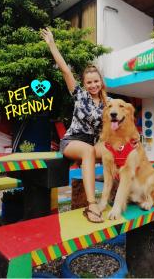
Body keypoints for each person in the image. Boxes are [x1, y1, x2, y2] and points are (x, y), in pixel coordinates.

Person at [41, 27, 108, 223]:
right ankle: (91, 205)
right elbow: (64, 69)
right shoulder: (79, 94)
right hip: (73, 142)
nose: (93, 85)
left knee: (118, 150)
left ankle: (131, 192)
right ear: (84, 84)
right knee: (88, 151)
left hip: (92, 144)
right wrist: (51, 44)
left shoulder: (107, 103)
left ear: (101, 82)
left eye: (96, 81)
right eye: (89, 82)